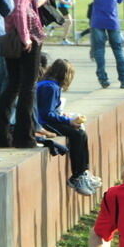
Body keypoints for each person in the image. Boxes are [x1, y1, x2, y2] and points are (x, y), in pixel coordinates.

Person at [0, 0, 46, 149]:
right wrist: (25, 36)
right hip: (25, 35)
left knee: (12, 84)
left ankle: (1, 132)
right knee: (28, 86)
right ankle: (25, 135)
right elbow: (20, 7)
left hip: (7, 34)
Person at [36, 58, 101, 196]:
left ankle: (84, 171)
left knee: (81, 133)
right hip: (44, 122)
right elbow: (46, 114)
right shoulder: (50, 87)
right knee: (77, 135)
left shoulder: (48, 84)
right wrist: (67, 120)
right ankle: (77, 175)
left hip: (46, 119)